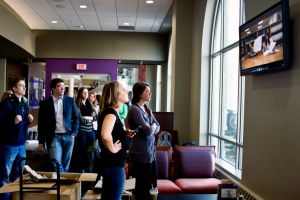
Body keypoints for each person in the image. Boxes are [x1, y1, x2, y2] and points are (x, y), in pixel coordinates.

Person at [98, 81, 136, 200]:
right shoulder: (111, 113)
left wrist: (124, 134)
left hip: (112, 165)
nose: (127, 92)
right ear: (116, 94)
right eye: (124, 89)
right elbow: (105, 135)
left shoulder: (113, 112)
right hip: (114, 166)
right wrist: (112, 148)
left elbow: (111, 133)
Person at [0, 77, 33, 200]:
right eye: (21, 85)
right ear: (14, 88)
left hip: (21, 145)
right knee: (4, 177)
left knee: (18, 176)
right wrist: (12, 121)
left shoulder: (24, 103)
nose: (24, 88)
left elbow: (21, 125)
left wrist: (28, 122)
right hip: (9, 145)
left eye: (24, 85)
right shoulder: (6, 104)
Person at [37, 78, 79, 172]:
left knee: (66, 163)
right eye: (60, 86)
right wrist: (41, 141)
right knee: (56, 162)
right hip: (54, 137)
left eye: (63, 86)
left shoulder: (70, 100)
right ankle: (64, 179)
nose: (63, 89)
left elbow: (76, 118)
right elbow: (41, 123)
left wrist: (74, 133)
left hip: (69, 136)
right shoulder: (45, 103)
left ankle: (63, 183)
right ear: (53, 88)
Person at [128, 82, 160, 195]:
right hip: (141, 152)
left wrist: (152, 127)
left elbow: (158, 126)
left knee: (152, 186)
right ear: (140, 94)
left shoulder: (146, 108)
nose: (150, 93)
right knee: (142, 187)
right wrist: (152, 127)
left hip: (150, 152)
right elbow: (147, 131)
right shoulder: (134, 110)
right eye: (147, 91)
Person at [72, 87, 97, 173]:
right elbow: (81, 120)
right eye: (84, 93)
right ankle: (81, 169)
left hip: (90, 130)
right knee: (82, 150)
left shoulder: (90, 104)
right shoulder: (77, 104)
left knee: (91, 149)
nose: (86, 95)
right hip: (82, 131)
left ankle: (89, 168)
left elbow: (96, 117)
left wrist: (87, 117)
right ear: (80, 94)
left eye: (87, 93)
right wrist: (90, 118)